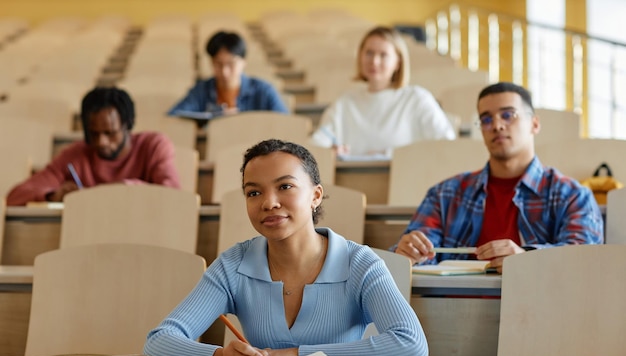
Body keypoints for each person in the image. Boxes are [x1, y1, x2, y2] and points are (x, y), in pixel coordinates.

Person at [144, 139, 428, 356]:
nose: (269, 203)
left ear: (316, 195)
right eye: (254, 192)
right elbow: (159, 342)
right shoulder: (233, 264)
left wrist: (295, 355)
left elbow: (411, 346)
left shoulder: (361, 264)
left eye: (285, 187)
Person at [393, 82, 604, 273]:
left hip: (540, 310)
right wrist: (410, 254)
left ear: (534, 124)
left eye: (508, 115)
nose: (496, 125)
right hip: (453, 308)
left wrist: (527, 259)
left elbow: (584, 258)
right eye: (486, 119)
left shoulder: (572, 195)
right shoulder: (445, 194)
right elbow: (411, 254)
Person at [6, 87, 180, 206]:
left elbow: (173, 196)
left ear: (128, 125)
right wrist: (52, 195)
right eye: (93, 133)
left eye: (110, 133)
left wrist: (123, 189)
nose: (101, 142)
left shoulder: (153, 146)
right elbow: (15, 196)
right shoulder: (74, 156)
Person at [311, 26, 456, 158]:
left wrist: (387, 153)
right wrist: (330, 151)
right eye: (369, 53)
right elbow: (315, 146)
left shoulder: (417, 98)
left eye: (383, 55)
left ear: (398, 62)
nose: (374, 61)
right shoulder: (345, 102)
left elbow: (446, 144)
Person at [167, 30, 288, 120]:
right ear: (211, 62)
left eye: (231, 64)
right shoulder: (201, 90)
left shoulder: (264, 90)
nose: (225, 71)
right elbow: (173, 117)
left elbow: (285, 123)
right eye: (218, 64)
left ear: (243, 62)